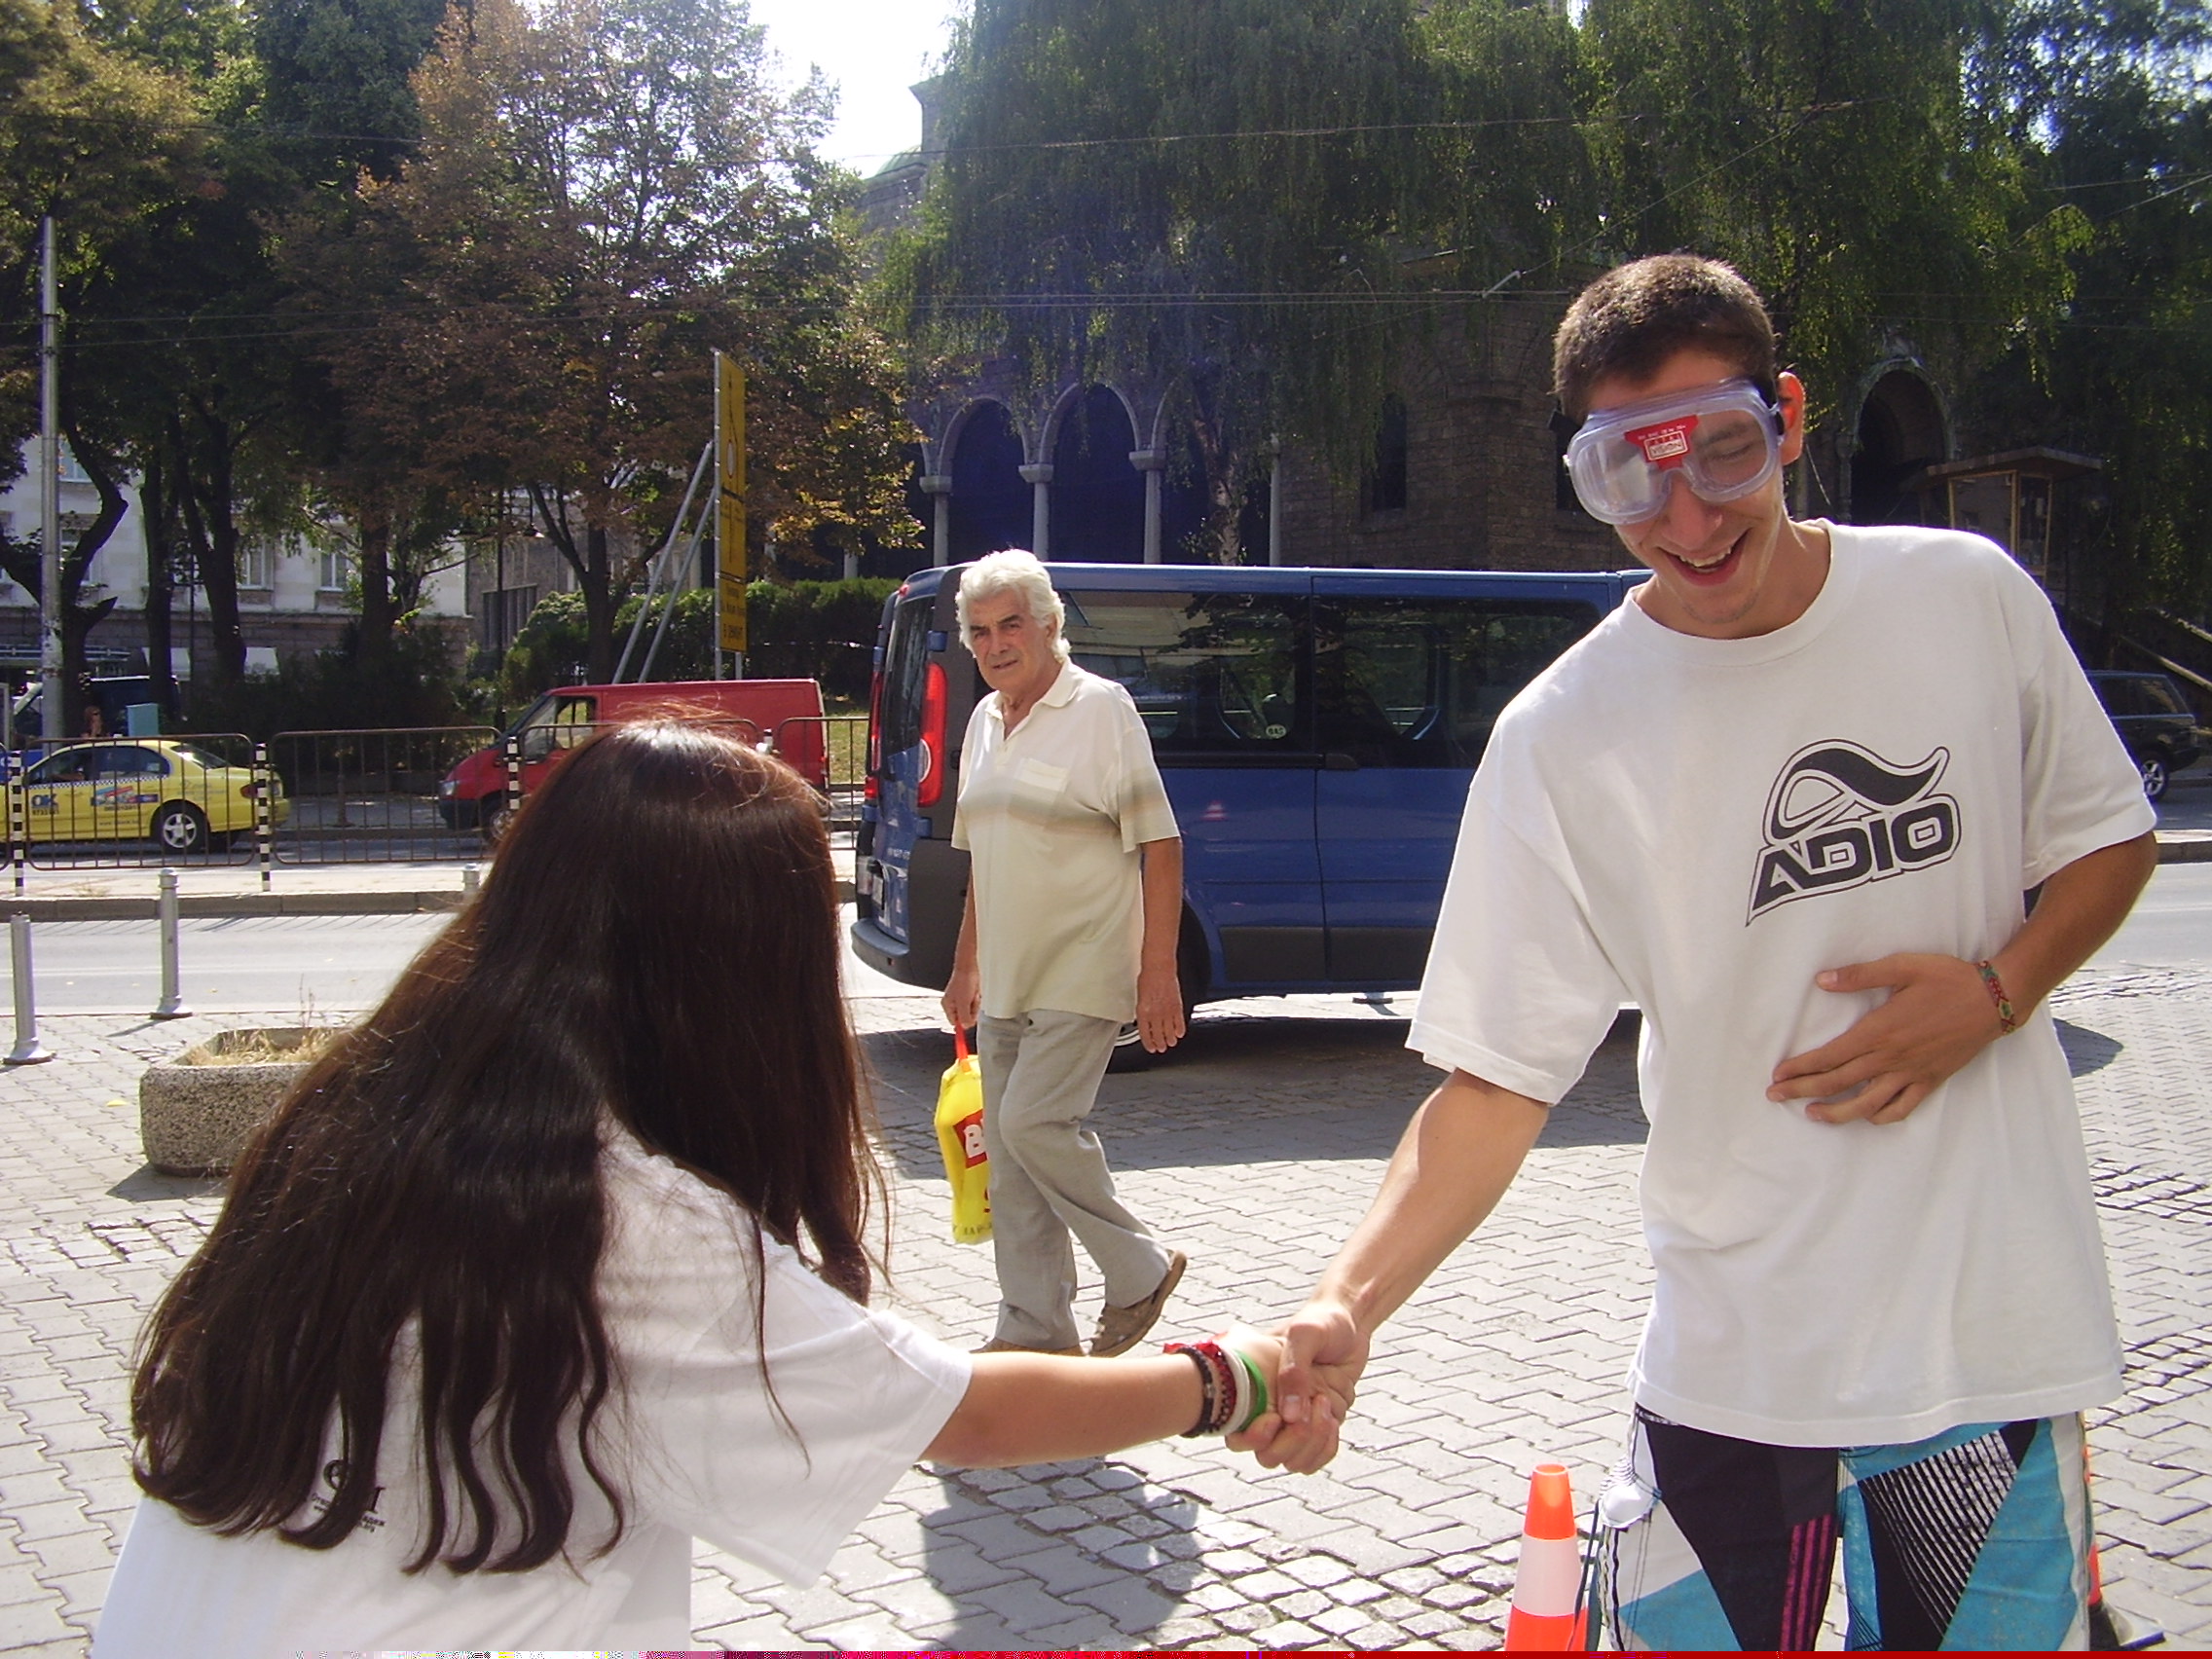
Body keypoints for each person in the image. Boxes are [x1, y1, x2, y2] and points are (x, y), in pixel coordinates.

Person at [1236, 254, 2157, 1651]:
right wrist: (1344, 1303)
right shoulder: (1564, 737)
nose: (1687, 516)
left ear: (1786, 415)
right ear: (1583, 475)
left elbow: (2108, 840)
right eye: (1628, 475)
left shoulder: (1963, 597)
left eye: (1723, 450)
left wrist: (1996, 992)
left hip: (1986, 1345)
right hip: (1738, 1362)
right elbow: (1492, 1082)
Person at [98, 721, 1278, 1656]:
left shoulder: (373, 1104)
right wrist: (1233, 1379)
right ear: (736, 982)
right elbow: (959, 1417)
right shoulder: (627, 1217)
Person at [940, 549, 1189, 1358]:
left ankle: (1139, 1266)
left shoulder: (1101, 708)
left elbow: (1160, 844)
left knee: (1034, 1123)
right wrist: (965, 966)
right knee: (1010, 1163)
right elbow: (983, 861)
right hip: (1008, 978)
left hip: (1084, 964)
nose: (995, 644)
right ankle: (1034, 1333)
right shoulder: (983, 722)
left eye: (1010, 625)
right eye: (980, 632)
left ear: (1049, 626)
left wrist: (1158, 973)